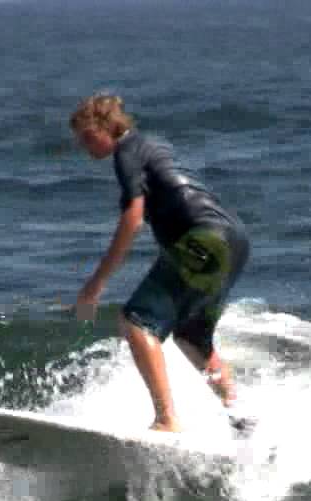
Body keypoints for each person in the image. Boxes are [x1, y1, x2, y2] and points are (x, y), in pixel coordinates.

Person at [70, 93, 250, 433]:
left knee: (136, 321)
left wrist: (95, 285)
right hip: (235, 241)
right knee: (192, 338)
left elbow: (133, 218)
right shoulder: (153, 144)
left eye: (86, 137)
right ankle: (240, 419)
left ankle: (167, 418)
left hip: (206, 240)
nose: (84, 146)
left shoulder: (126, 152)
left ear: (107, 128)